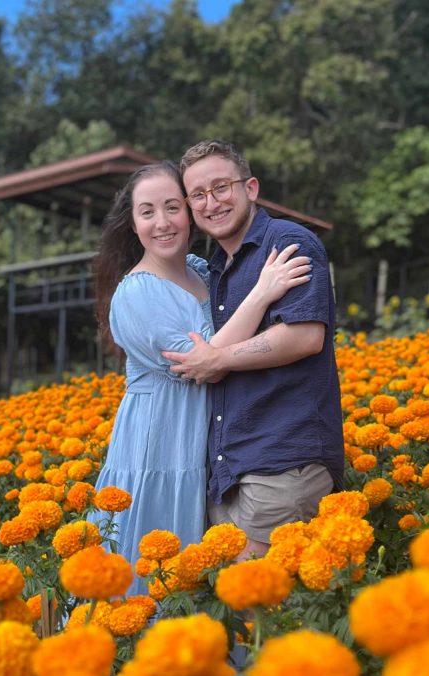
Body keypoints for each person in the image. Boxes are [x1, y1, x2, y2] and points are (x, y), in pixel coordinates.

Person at [91, 160, 312, 594]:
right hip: (160, 438)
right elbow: (203, 361)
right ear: (133, 225)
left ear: (190, 212)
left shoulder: (202, 270)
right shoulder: (136, 293)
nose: (163, 222)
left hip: (205, 438)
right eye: (148, 212)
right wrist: (263, 292)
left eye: (173, 207)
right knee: (155, 562)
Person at [162, 140, 345, 560]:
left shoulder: (287, 242)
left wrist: (219, 359)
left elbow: (304, 336)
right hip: (230, 467)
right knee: (246, 614)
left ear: (251, 188)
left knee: (269, 611)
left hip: (282, 461)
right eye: (199, 195)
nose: (212, 202)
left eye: (221, 187)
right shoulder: (214, 268)